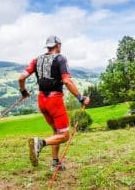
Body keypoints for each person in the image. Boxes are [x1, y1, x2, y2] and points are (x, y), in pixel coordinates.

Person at [18, 35, 90, 169]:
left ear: (47, 46)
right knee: (64, 135)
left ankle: (55, 162)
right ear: (58, 45)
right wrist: (81, 98)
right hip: (54, 101)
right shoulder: (60, 59)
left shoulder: (36, 60)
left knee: (56, 131)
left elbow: (21, 77)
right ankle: (40, 143)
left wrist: (23, 92)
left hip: (41, 101)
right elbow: (67, 81)